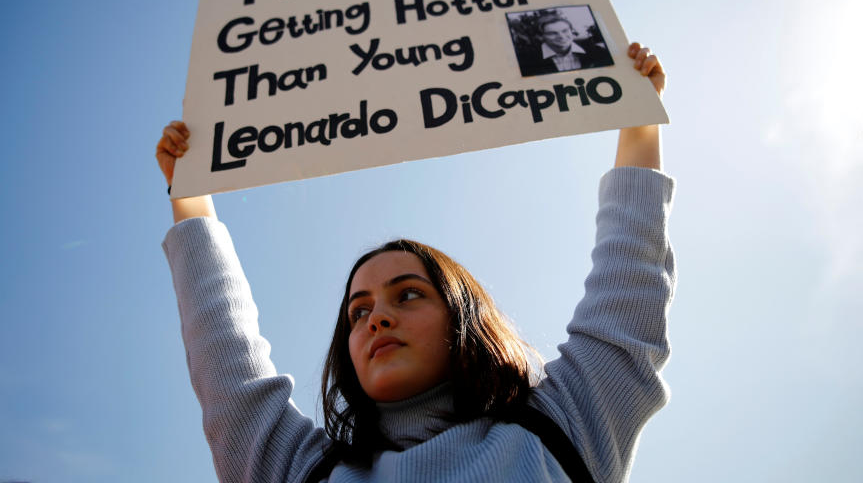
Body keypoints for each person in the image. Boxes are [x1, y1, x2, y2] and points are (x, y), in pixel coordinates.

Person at [157, 42, 673, 482]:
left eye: (408, 294)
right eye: (358, 312)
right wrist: (191, 195)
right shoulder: (301, 469)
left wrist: (638, 121)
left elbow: (628, 283)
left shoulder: (565, 422)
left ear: (464, 320)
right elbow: (222, 351)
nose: (377, 317)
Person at [515, 13, 614, 76]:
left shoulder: (599, 52)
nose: (561, 36)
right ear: (540, 37)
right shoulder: (526, 61)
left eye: (565, 31)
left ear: (572, 31)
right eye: (552, 33)